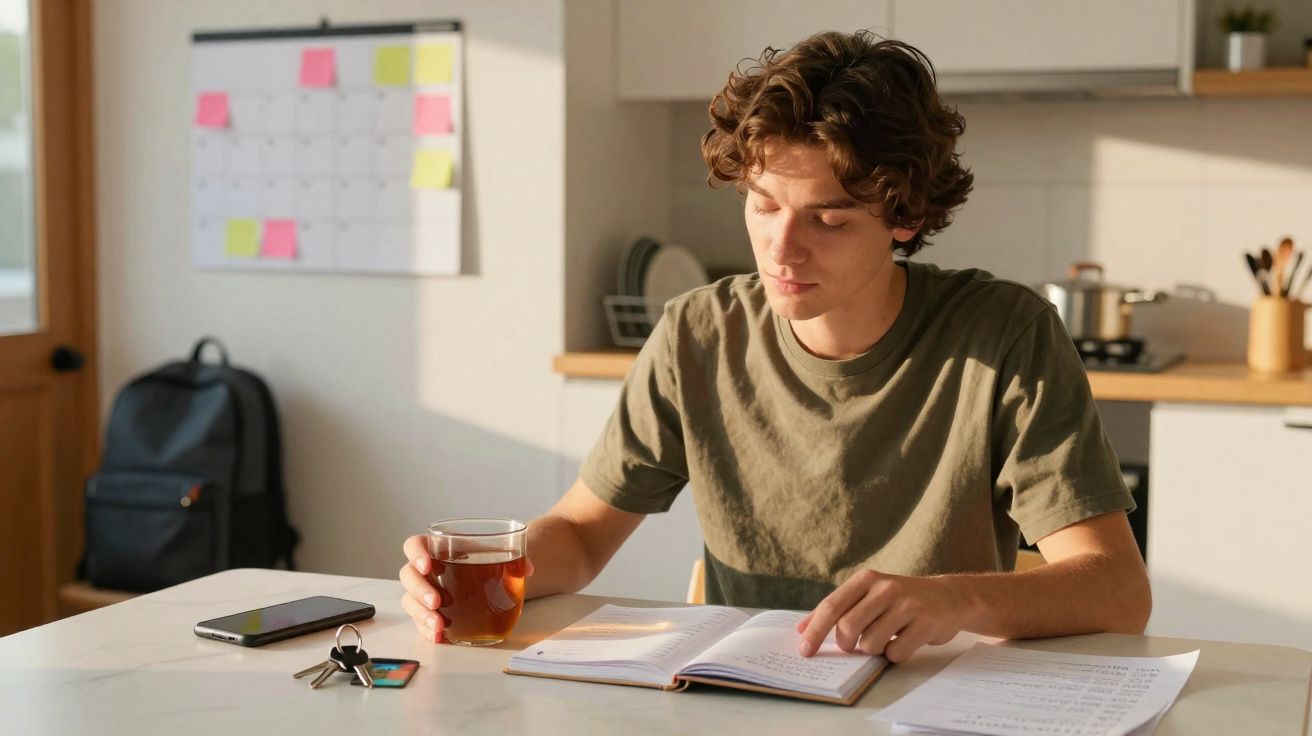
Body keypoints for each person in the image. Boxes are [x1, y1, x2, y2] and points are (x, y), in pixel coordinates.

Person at [399, 30, 1151, 663]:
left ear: (903, 216)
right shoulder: (696, 333)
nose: (781, 251)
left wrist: (954, 598)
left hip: (927, 701)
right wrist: (490, 565)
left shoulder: (1002, 333)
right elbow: (584, 535)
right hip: (746, 698)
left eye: (828, 220)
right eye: (763, 206)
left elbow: (1118, 590)